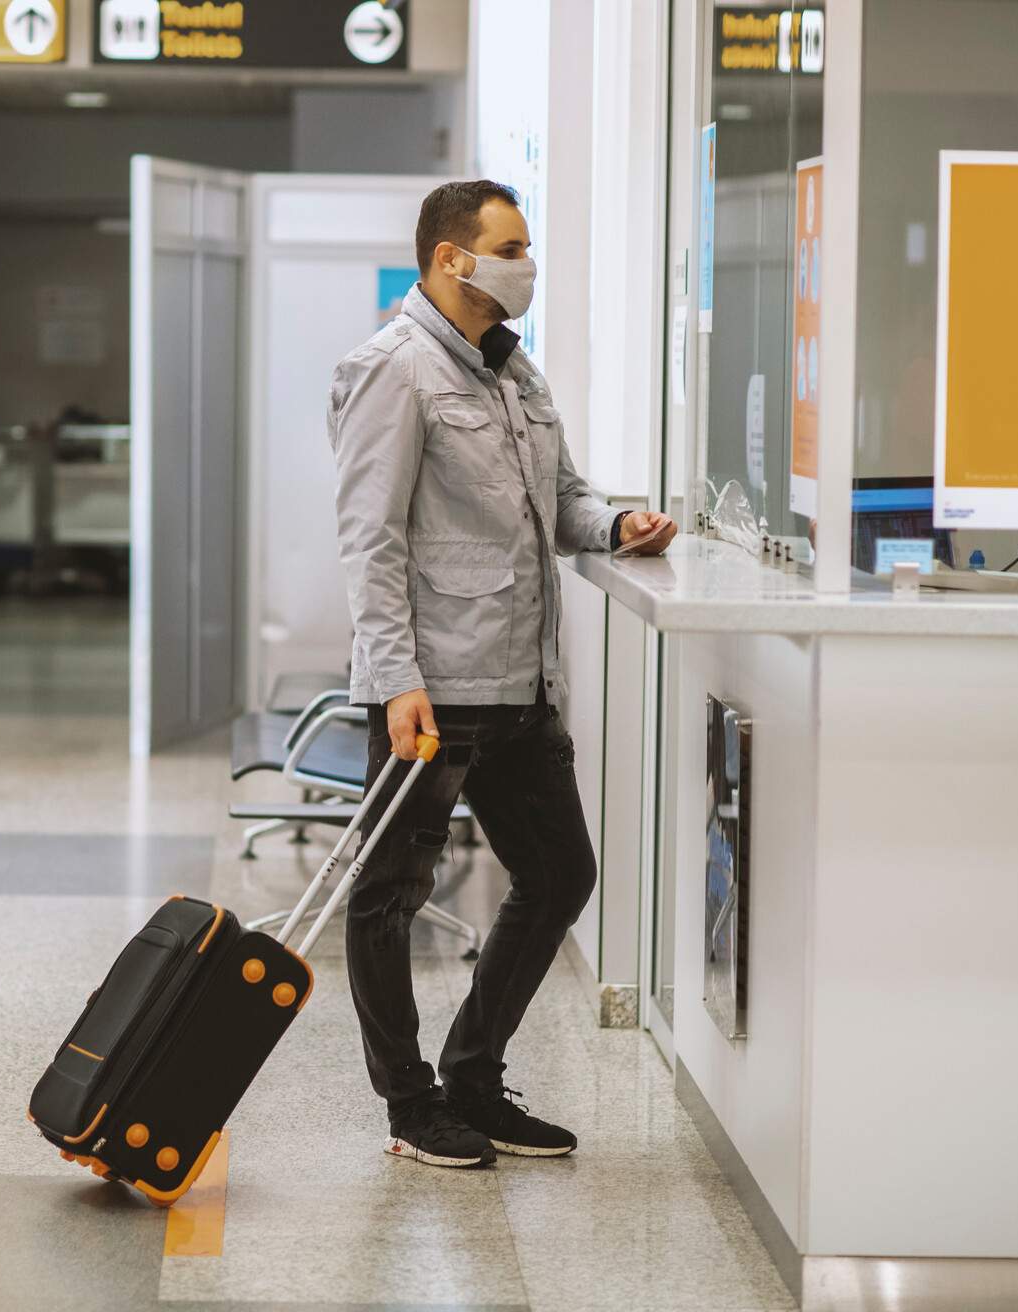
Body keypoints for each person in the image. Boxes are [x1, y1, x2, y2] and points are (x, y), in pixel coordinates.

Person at [327, 180, 676, 1169]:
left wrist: (616, 525)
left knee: (562, 871)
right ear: (452, 258)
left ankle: (475, 1075)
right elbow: (369, 541)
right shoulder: (392, 371)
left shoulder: (513, 372)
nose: (527, 263)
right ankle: (411, 1104)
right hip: (434, 686)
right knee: (390, 891)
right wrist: (396, 680)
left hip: (521, 680)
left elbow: (562, 500)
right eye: (511, 246)